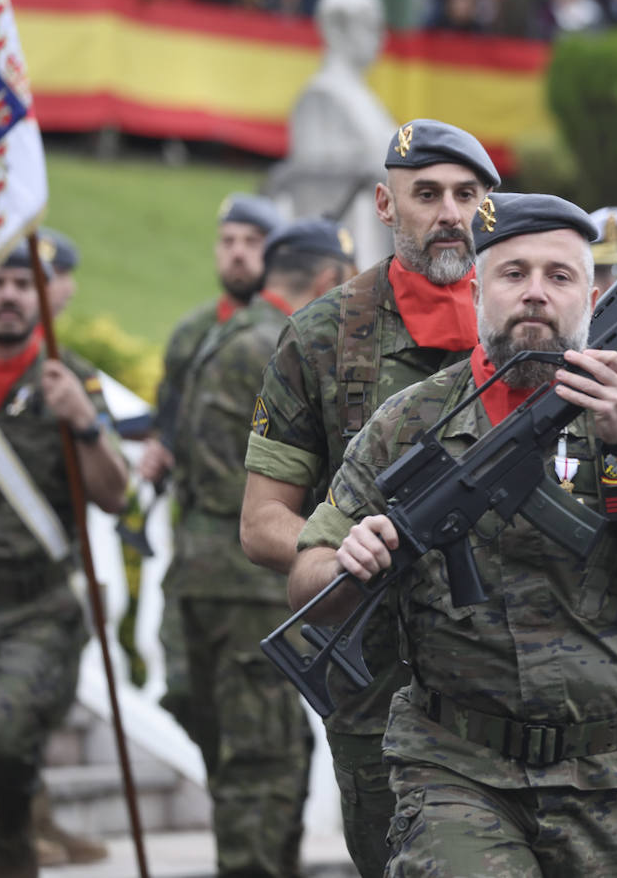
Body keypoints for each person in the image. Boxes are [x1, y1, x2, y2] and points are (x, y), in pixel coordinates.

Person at [288, 191, 617, 875]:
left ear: (591, 294)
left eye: (558, 277)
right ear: (478, 289)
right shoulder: (407, 422)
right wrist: (345, 563)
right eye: (513, 274)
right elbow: (308, 583)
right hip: (456, 769)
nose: (536, 294)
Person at [241, 119, 499, 877]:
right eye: (426, 194)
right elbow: (262, 524)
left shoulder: (530, 321)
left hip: (524, 678)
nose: (449, 212)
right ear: (386, 208)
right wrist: (345, 549)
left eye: (465, 194)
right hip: (387, 685)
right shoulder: (323, 338)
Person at [0, 240, 127, 878]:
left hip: (39, 607)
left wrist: (84, 422)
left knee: (7, 742)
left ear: (41, 293)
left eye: (23, 283)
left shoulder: (70, 377)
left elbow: (114, 494)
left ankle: (15, 821)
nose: (10, 295)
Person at [174, 217, 353, 876]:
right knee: (262, 767)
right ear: (328, 281)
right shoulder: (282, 345)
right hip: (252, 584)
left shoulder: (230, 334)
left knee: (256, 761)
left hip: (214, 577)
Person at [140, 192, 281, 728]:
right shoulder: (192, 333)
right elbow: (170, 415)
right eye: (228, 242)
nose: (238, 254)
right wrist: (160, 449)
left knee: (257, 709)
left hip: (257, 551)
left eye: (252, 242)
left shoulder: (285, 334)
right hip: (196, 545)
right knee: (183, 689)